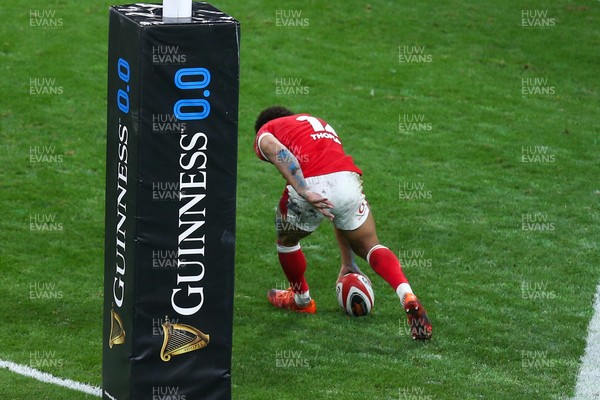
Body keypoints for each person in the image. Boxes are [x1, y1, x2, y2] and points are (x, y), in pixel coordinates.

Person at [253, 106, 432, 340]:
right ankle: (407, 295)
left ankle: (301, 300)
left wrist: (304, 190)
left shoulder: (265, 132)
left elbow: (280, 154)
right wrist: (348, 261)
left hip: (310, 183)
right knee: (370, 245)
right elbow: (334, 196)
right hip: (347, 180)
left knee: (287, 239)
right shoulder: (315, 122)